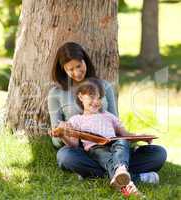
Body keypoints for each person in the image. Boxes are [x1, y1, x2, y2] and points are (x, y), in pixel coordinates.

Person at [47, 42, 167, 193]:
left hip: (113, 148)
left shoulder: (104, 86)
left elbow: (117, 128)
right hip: (85, 151)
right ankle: (137, 177)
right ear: (62, 69)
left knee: (158, 153)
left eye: (79, 65)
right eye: (70, 69)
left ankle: (96, 174)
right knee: (64, 156)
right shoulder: (56, 93)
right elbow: (56, 140)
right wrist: (62, 133)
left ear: (85, 60)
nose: (77, 72)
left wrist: (137, 137)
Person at [56, 78, 141, 194]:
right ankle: (128, 182)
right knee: (71, 156)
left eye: (99, 97)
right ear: (81, 97)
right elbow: (74, 144)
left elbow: (126, 135)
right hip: (96, 149)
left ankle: (120, 170)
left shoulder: (108, 116)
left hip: (116, 146)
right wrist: (62, 136)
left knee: (125, 142)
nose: (96, 101)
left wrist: (141, 136)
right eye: (92, 96)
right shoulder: (76, 120)